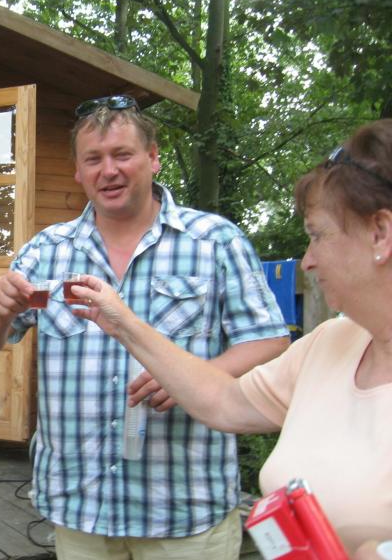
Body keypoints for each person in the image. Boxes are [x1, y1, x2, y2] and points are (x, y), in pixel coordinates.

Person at [0, 95, 290, 559]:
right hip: (81, 506)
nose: (108, 170)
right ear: (78, 172)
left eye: (122, 154)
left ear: (153, 158)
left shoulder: (214, 241)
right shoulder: (47, 251)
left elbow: (270, 340)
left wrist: (192, 377)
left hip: (184, 507)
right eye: (93, 159)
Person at [69, 119, 392, 558]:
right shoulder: (331, 344)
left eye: (317, 235)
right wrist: (123, 322)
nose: (308, 261)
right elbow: (222, 401)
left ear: (380, 233)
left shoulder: (216, 240)